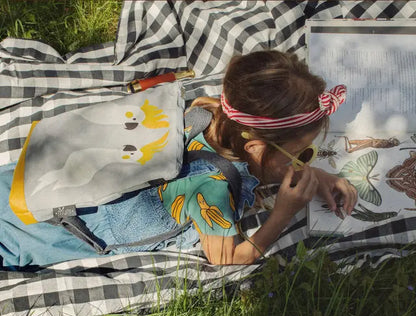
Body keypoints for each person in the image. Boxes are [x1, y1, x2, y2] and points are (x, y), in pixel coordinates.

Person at [0, 50, 357, 269]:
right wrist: (282, 214)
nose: (302, 163)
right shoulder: (214, 189)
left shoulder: (205, 111)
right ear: (255, 148)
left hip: (33, 177)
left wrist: (316, 175)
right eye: (299, 155)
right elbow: (228, 258)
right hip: (41, 231)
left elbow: (262, 157)